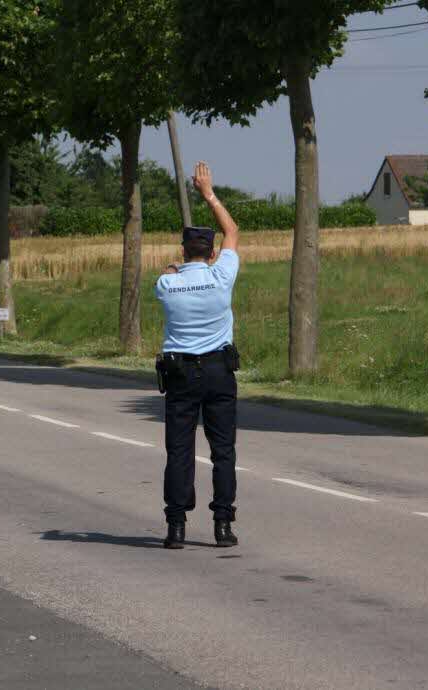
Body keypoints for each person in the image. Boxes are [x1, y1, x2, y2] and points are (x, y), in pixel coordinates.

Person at [153, 161, 241, 549]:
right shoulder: (222, 277)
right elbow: (233, 231)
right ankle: (223, 524)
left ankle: (176, 527)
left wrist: (177, 265)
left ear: (182, 250)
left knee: (179, 450)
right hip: (220, 371)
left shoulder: (167, 284)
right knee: (222, 451)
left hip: (181, 374)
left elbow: (171, 272)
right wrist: (208, 194)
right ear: (211, 253)